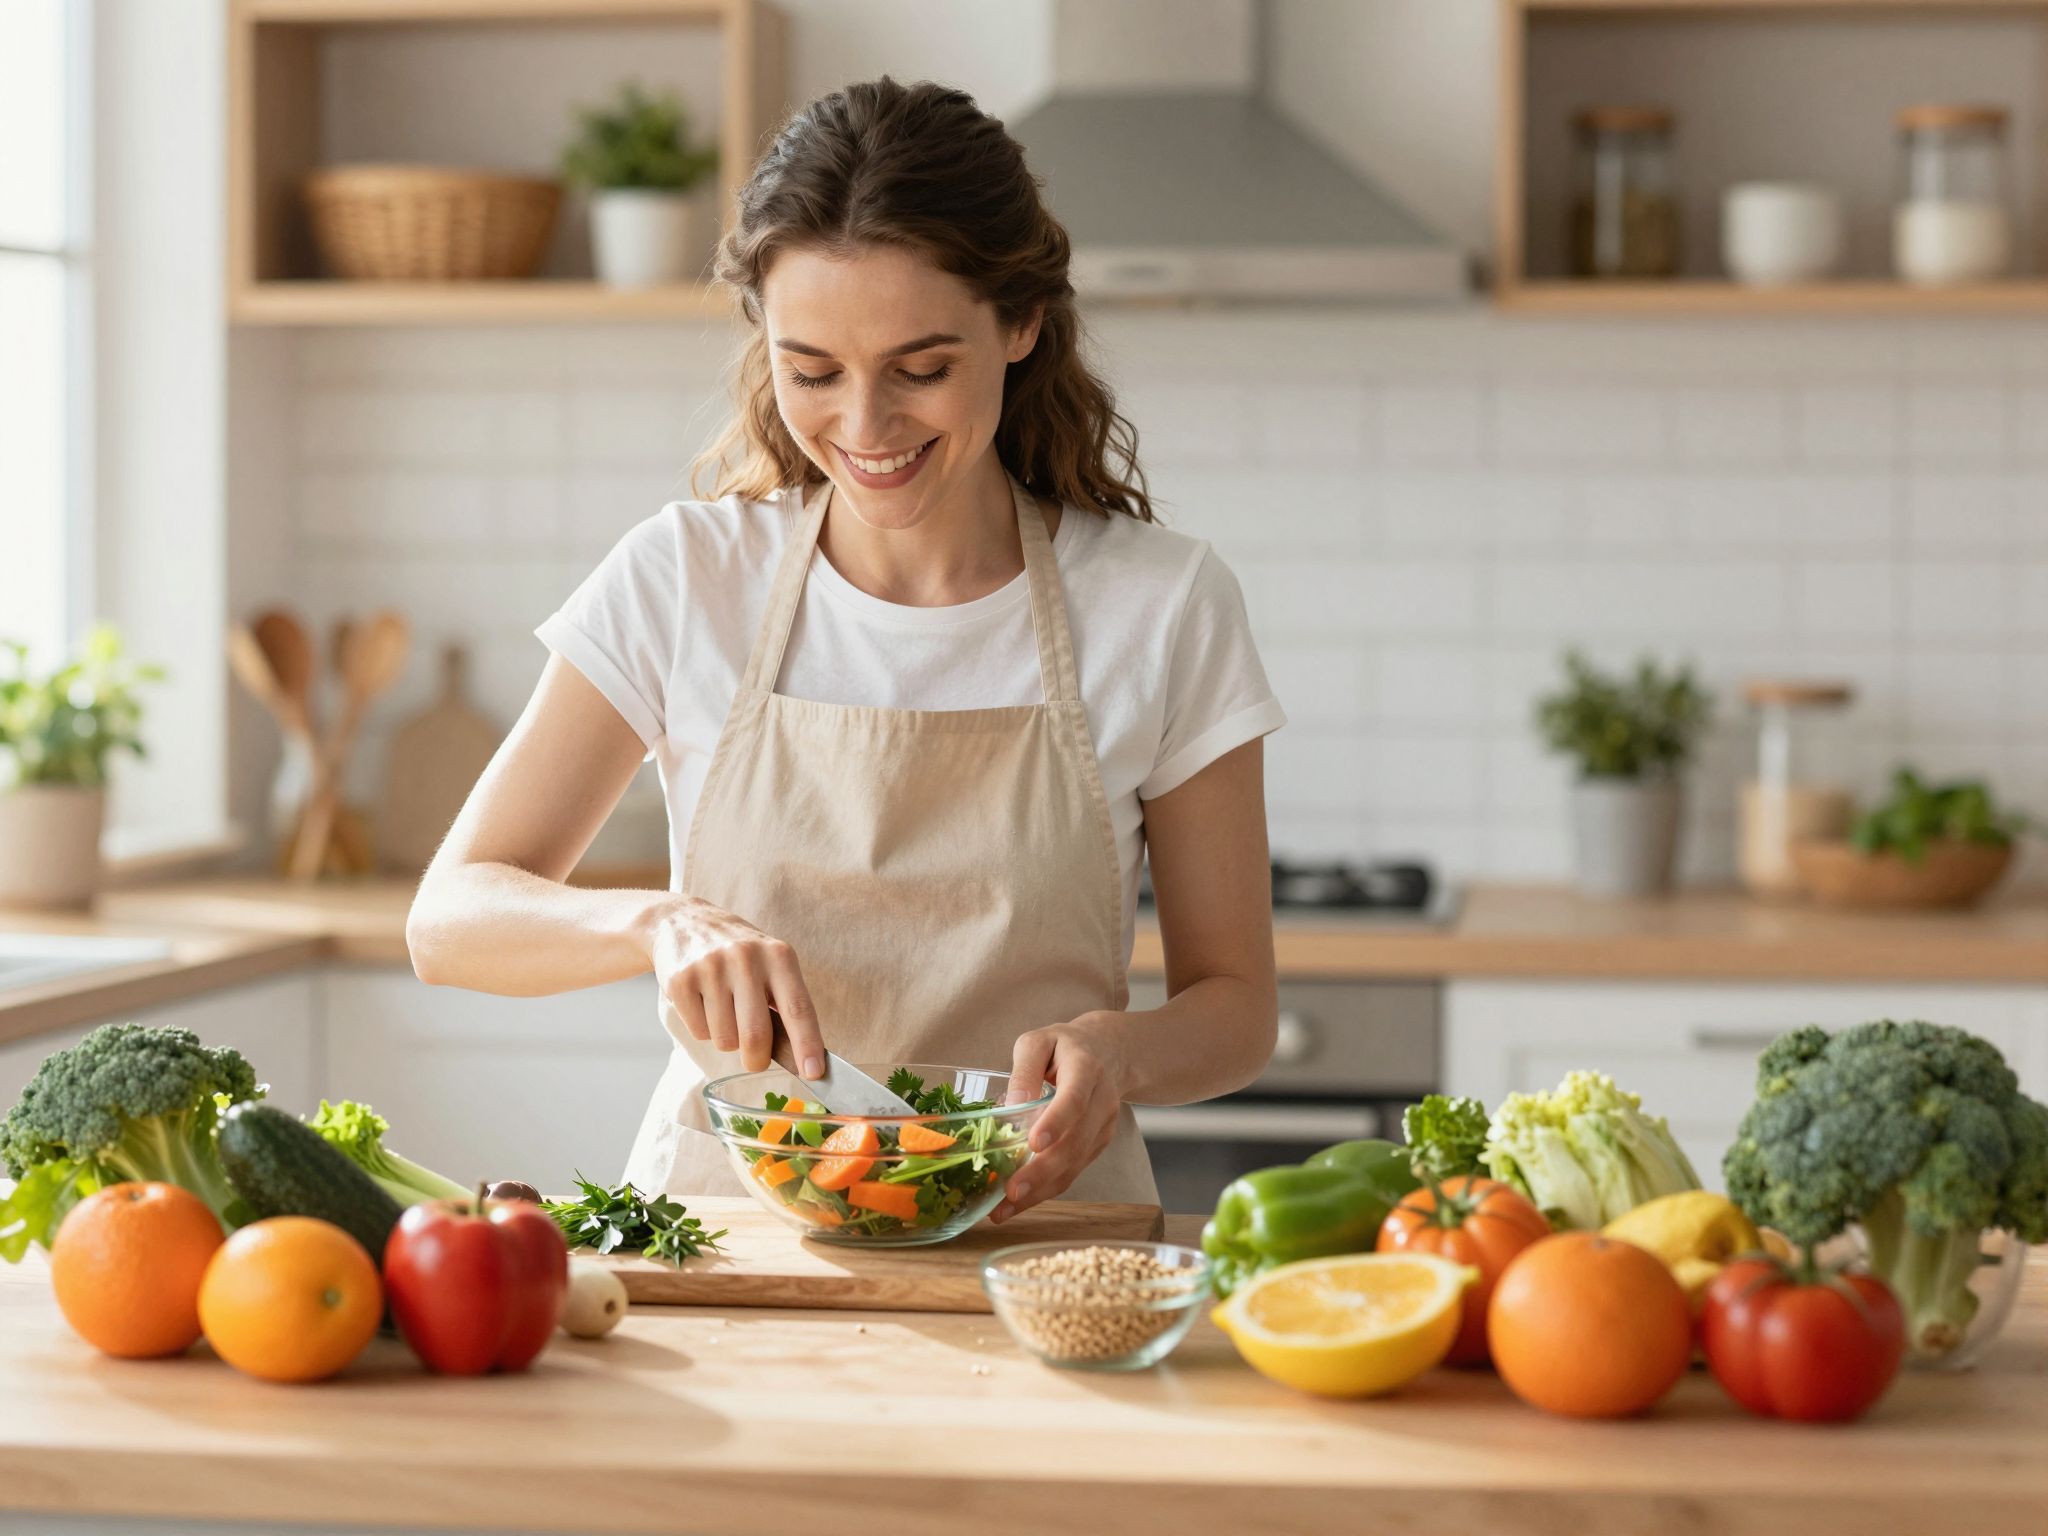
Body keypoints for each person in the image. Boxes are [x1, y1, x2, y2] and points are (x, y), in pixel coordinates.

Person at [407, 77, 1285, 1219]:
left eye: (920, 369)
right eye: (811, 370)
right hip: (726, 1237)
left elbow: (1235, 1008)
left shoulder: (1160, 605)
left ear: (1019, 324)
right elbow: (450, 919)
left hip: (1041, 1247)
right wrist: (655, 922)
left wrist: (1123, 1054)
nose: (864, 430)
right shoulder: (686, 579)